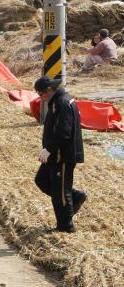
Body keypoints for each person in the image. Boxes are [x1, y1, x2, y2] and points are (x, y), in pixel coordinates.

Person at [34, 76, 86, 232]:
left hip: (62, 156)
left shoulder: (62, 103)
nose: (40, 98)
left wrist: (48, 148)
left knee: (60, 193)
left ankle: (65, 226)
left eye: (40, 94)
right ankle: (75, 197)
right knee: (42, 180)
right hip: (54, 155)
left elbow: (64, 133)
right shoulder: (57, 101)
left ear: (49, 90)